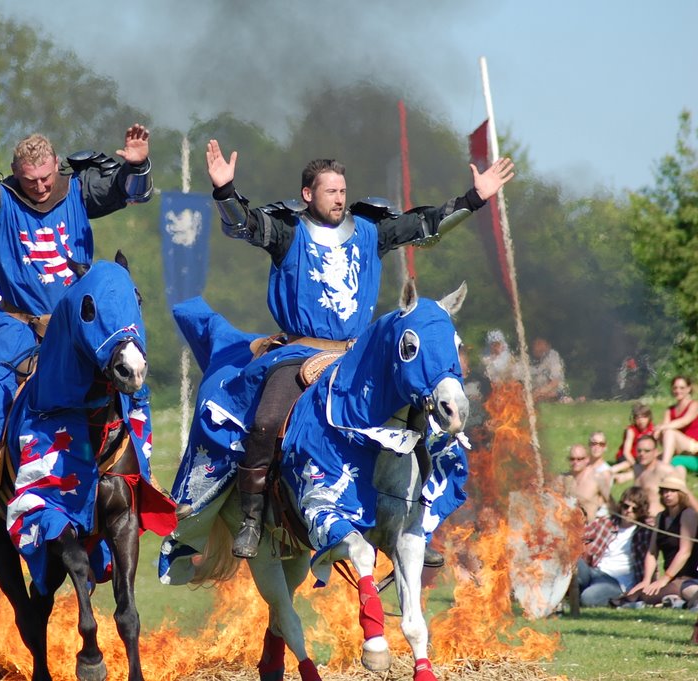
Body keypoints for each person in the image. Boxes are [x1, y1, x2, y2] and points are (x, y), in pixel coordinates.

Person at [206, 139, 515, 558]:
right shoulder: (287, 232)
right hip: (298, 353)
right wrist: (225, 191)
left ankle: (413, 521)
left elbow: (424, 226)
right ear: (307, 194)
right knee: (267, 420)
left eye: (342, 190)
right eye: (330, 190)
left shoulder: (370, 231)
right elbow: (243, 225)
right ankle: (252, 518)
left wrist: (475, 198)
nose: (339, 197)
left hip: (357, 355)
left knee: (415, 418)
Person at [0, 125, 153, 542]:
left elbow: (132, 191)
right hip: (17, 324)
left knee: (130, 374)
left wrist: (138, 164)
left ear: (56, 166)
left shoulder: (77, 189)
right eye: (30, 179)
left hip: (75, 325)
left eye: (46, 178)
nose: (39, 187)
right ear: (16, 172)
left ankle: (138, 480)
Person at [613, 476, 698, 609]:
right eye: (664, 491)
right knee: (637, 594)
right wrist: (646, 580)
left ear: (681, 493)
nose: (667, 494)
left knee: (643, 596)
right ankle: (676, 602)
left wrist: (664, 579)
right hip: (672, 578)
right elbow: (652, 552)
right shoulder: (661, 517)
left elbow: (685, 552)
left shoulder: (688, 514)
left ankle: (680, 601)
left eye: (672, 491)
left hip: (687, 577)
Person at [574, 487, 651, 607]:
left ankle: (617, 601)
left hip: (616, 581)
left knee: (587, 598)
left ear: (641, 511)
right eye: (626, 506)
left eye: (634, 509)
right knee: (573, 561)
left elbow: (652, 555)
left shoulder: (645, 532)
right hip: (595, 571)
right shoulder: (606, 522)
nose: (629, 511)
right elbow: (580, 536)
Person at [611, 435, 686, 521]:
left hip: (657, 520)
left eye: (647, 451)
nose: (642, 454)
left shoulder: (665, 470)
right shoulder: (637, 469)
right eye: (639, 451)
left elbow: (682, 500)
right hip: (637, 519)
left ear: (655, 452)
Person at [654, 375, 698, 472]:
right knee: (652, 459)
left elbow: (684, 421)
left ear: (688, 389)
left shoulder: (694, 405)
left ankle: (664, 467)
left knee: (669, 432)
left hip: (694, 446)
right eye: (675, 388)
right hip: (680, 446)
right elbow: (664, 430)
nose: (678, 391)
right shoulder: (670, 410)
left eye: (682, 388)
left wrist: (662, 427)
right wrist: (657, 432)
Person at [562, 443, 610, 522]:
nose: (575, 462)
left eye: (579, 459)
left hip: (588, 528)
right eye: (572, 459)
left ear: (587, 459)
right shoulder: (562, 479)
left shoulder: (596, 478)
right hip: (567, 527)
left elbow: (610, 503)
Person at [529, 337, 568, 403]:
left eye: (539, 343)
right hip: (537, 394)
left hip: (554, 393)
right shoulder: (528, 361)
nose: (536, 347)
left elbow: (555, 381)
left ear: (548, 345)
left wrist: (541, 391)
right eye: (534, 344)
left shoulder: (552, 356)